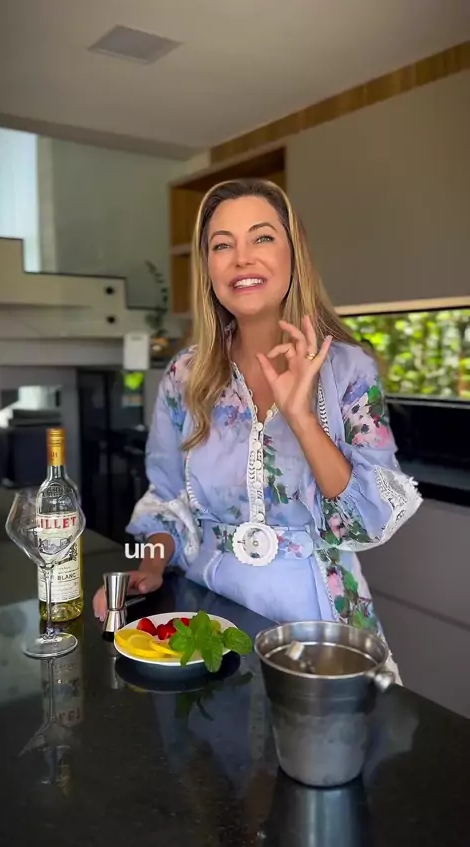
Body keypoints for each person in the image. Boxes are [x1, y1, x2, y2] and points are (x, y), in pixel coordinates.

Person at [93, 178, 422, 673]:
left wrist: (301, 418)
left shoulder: (348, 370)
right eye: (222, 245)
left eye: (262, 237)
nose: (242, 259)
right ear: (208, 267)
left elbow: (366, 522)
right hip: (209, 615)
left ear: (294, 253)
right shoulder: (185, 376)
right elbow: (167, 499)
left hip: (315, 618)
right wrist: (151, 564)